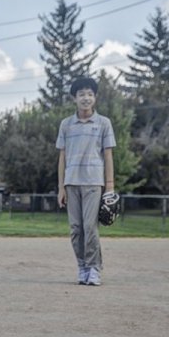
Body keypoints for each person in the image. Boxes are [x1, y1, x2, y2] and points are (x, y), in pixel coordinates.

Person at [56, 77, 116, 286]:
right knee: (76, 229)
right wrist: (60, 187)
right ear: (75, 98)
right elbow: (62, 157)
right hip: (71, 182)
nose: (86, 98)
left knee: (90, 228)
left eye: (90, 94)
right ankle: (82, 266)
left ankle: (94, 269)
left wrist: (109, 187)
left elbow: (108, 155)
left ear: (95, 98)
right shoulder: (66, 125)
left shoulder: (103, 123)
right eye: (81, 94)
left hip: (93, 182)